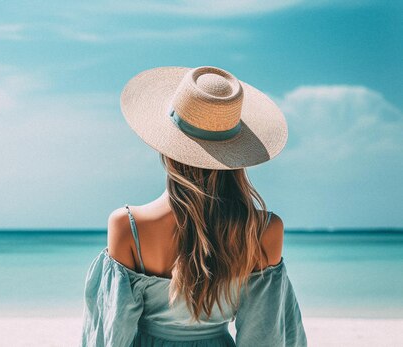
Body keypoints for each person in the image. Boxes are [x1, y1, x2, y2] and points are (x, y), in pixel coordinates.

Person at [81, 66, 307, 346]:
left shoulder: (129, 226)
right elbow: (265, 337)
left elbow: (111, 336)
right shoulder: (263, 231)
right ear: (236, 154)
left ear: (166, 146)